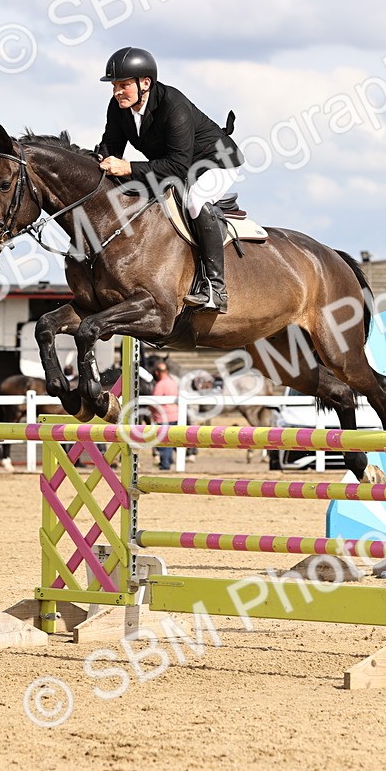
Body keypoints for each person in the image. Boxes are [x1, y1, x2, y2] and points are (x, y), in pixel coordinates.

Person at [97, 47, 244, 314]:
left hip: (216, 161)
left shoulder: (173, 105)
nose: (117, 91)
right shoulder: (118, 108)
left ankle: (216, 289)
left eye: (123, 85)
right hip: (176, 166)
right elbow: (111, 146)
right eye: (115, 85)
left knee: (195, 201)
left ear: (145, 83)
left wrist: (128, 167)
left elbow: (177, 166)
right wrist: (100, 163)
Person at [150, 360, 180, 471]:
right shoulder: (173, 382)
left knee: (164, 443)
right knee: (172, 440)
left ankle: (165, 464)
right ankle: (170, 460)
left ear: (158, 372)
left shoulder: (160, 384)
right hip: (175, 415)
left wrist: (151, 410)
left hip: (163, 417)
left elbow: (154, 402)